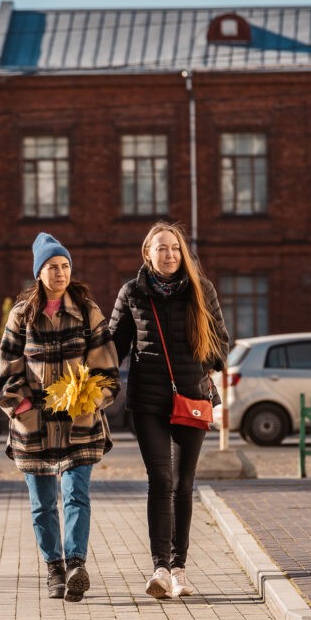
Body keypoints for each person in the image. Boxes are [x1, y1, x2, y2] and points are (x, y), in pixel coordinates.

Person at [0, 232, 119, 602]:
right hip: (35, 426)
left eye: (65, 266)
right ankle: (54, 569)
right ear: (39, 273)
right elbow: (4, 373)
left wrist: (91, 399)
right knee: (42, 503)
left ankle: (76, 563)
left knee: (76, 493)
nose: (60, 273)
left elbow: (108, 370)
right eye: (52, 267)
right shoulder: (22, 315)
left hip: (80, 423)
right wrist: (24, 408)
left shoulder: (87, 311)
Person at [109, 221, 230, 600]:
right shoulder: (132, 293)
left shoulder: (200, 290)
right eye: (161, 248)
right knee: (160, 481)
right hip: (147, 402)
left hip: (192, 400)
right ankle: (159, 568)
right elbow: (113, 347)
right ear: (147, 253)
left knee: (183, 484)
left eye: (175, 248)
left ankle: (180, 568)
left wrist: (200, 363)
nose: (170, 254)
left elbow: (222, 343)